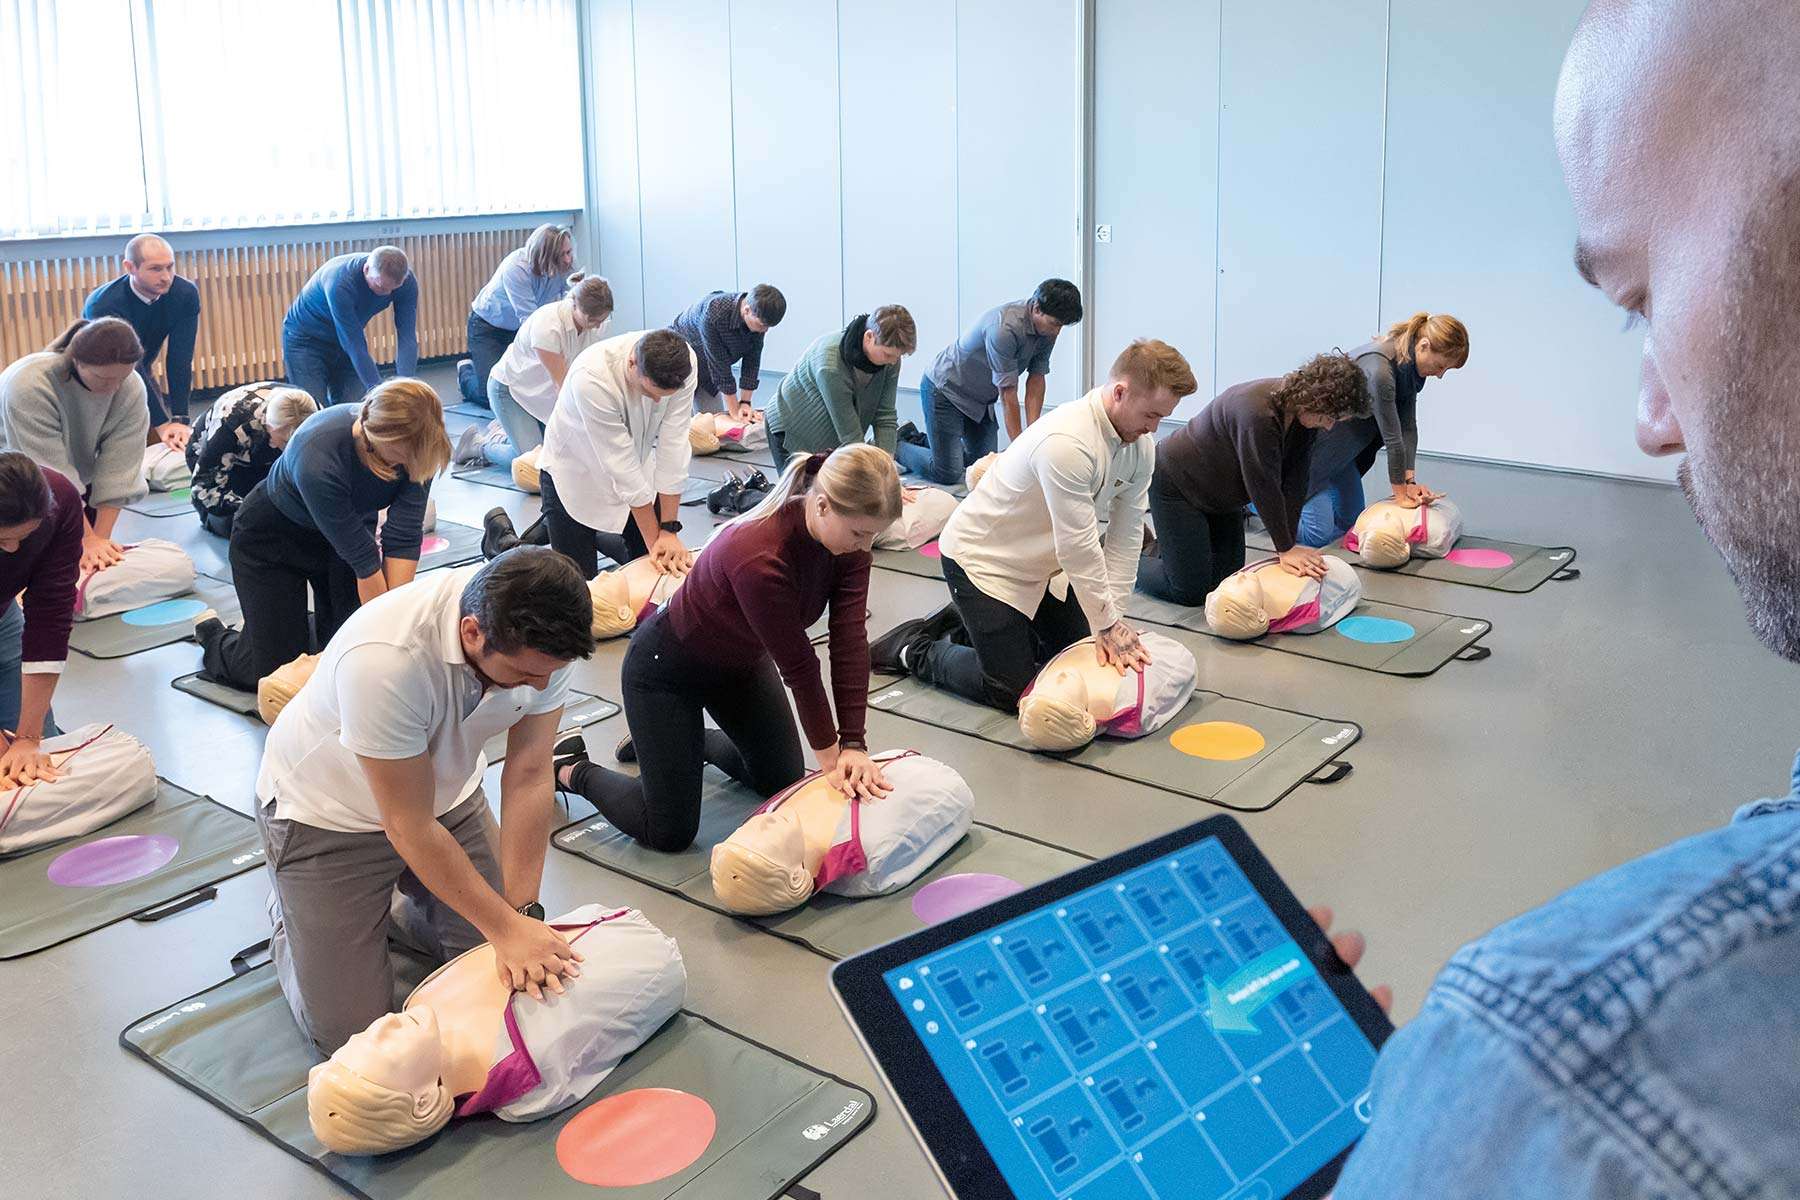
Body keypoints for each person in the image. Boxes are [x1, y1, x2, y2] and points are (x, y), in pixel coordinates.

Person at [1327, 2, 1800, 1193]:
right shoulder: (1359, 376)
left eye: (1640, 295)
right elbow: (1344, 451)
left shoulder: (1543, 1063)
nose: (1650, 418)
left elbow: (1403, 437)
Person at [253, 548, 597, 1052]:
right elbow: (406, 823)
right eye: (523, 677)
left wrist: (521, 915)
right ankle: (294, 919)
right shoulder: (387, 659)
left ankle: (391, 903)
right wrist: (502, 925)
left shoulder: (543, 646)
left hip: (447, 800)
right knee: (356, 1038)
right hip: (328, 817)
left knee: (501, 973)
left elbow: (527, 773)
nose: (540, 686)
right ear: (472, 632)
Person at [554, 444, 902, 851]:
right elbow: (801, 667)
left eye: (873, 535)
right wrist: (832, 762)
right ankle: (569, 767)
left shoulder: (848, 547)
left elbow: (848, 641)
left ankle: (685, 742)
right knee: (668, 833)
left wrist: (855, 744)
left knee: (779, 780)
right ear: (823, 506)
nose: (865, 546)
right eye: (860, 533)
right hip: (665, 672)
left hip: (740, 665)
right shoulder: (759, 554)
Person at [871, 339, 1193, 712]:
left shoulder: (1140, 446)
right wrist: (1105, 625)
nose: (1154, 428)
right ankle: (915, 648)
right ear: (1120, 392)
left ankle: (966, 621)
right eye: (1151, 415)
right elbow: (1079, 545)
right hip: (983, 562)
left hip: (1045, 566)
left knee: (1074, 658)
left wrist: (1112, 619)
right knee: (1014, 691)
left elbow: (1125, 536)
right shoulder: (1067, 443)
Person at [194, 379, 450, 692]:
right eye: (394, 458)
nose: (402, 467)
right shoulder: (317, 453)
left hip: (341, 539)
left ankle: (298, 625)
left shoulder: (419, 445)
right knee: (276, 673)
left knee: (349, 650)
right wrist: (386, 633)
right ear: (372, 437)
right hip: (271, 540)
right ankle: (214, 635)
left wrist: (396, 625)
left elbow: (404, 537)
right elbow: (365, 562)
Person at [1136, 353, 1369, 607]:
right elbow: (1263, 484)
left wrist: (1288, 544)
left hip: (1221, 496)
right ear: (1317, 400)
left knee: (1228, 580)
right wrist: (1285, 549)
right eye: (1329, 418)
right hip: (1177, 484)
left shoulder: (1304, 419)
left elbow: (1295, 480)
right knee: (1189, 591)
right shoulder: (1258, 413)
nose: (1329, 427)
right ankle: (1127, 554)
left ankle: (1163, 548)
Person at [489, 330, 696, 580]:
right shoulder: (591, 378)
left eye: (663, 397)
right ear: (632, 363)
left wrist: (669, 530)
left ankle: (597, 536)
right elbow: (622, 467)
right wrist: (657, 546)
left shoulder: (684, 364)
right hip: (573, 474)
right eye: (649, 391)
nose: (655, 401)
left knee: (654, 568)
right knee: (576, 585)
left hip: (637, 470)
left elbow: (674, 444)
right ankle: (504, 543)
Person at [1296, 313, 1471, 547]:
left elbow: (1408, 426)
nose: (1439, 375)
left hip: (1344, 454)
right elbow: (1392, 436)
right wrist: (1400, 495)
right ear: (1424, 346)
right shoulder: (1380, 368)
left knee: (1351, 523)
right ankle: (1255, 499)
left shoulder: (1410, 365)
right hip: (1315, 452)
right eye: (1440, 366)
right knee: (1318, 535)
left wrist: (1410, 482)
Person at [0, 317, 151, 575]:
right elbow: (50, 474)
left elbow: (121, 465)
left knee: (81, 561)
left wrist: (98, 541)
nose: (114, 387)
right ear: (77, 362)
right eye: (104, 379)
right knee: (24, 562)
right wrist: (85, 540)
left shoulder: (130, 385)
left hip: (74, 478)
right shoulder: (29, 385)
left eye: (122, 377)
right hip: (16, 481)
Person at [894, 279, 1083, 484]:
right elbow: (1008, 393)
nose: (1057, 331)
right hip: (946, 390)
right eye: (1055, 324)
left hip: (981, 400)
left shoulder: (1047, 331)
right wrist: (1021, 448)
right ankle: (899, 444)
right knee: (948, 474)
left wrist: (1033, 434)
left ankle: (926, 441)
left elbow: (1036, 378)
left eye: (1061, 326)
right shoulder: (1004, 329)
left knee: (982, 467)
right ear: (1037, 308)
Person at [455, 275, 614, 470]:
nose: (598, 326)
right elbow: (562, 387)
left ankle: (506, 433)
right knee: (537, 465)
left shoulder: (597, 322)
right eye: (593, 321)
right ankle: (479, 446)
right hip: (510, 391)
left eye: (602, 320)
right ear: (576, 306)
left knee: (565, 456)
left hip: (540, 395)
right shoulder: (548, 326)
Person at [0, 453, 83, 780]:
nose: (12, 551)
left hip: (5, 617)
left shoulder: (61, 500)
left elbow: (51, 615)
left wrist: (28, 738)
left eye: (25, 536)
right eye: (2, 539)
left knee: (33, 758)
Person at [80, 233, 201, 450]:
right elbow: (129, 366)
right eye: (155, 269)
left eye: (170, 267)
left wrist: (179, 419)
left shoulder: (185, 294)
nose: (166, 277)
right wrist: (162, 423)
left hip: (141, 368)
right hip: (97, 377)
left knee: (164, 445)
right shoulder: (104, 304)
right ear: (130, 267)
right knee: (105, 447)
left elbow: (180, 358)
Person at [764, 306, 916, 462]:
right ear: (869, 337)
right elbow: (850, 436)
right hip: (792, 432)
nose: (893, 361)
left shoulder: (890, 361)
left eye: (899, 356)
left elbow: (885, 415)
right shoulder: (830, 364)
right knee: (804, 486)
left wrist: (887, 461)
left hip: (833, 438)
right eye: (888, 354)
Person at [282, 247, 419, 408]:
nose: (387, 293)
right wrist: (380, 393)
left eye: (393, 289)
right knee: (313, 411)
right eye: (381, 287)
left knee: (358, 411)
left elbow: (407, 337)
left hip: (345, 341)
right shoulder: (340, 282)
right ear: (366, 269)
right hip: (306, 341)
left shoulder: (407, 283)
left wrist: (405, 387)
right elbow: (354, 344)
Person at [460, 223, 576, 408]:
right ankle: (465, 373)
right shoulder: (516, 268)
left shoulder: (563, 266)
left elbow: (569, 302)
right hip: (488, 328)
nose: (568, 260)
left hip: (518, 329)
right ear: (545, 256)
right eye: (562, 255)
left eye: (569, 252)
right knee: (491, 396)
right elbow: (530, 322)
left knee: (525, 391)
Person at [185, 383, 320, 537]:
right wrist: (259, 511)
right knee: (250, 527)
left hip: (266, 456)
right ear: (269, 427)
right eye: (284, 442)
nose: (288, 449)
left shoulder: (316, 415)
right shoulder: (232, 422)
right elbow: (203, 491)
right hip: (225, 461)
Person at [668, 285, 785, 420]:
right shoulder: (714, 312)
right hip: (678, 366)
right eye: (762, 325)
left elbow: (752, 360)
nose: (765, 331)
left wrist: (745, 403)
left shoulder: (759, 315)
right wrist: (735, 413)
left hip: (707, 374)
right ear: (747, 310)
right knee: (678, 424)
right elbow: (719, 365)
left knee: (712, 424)